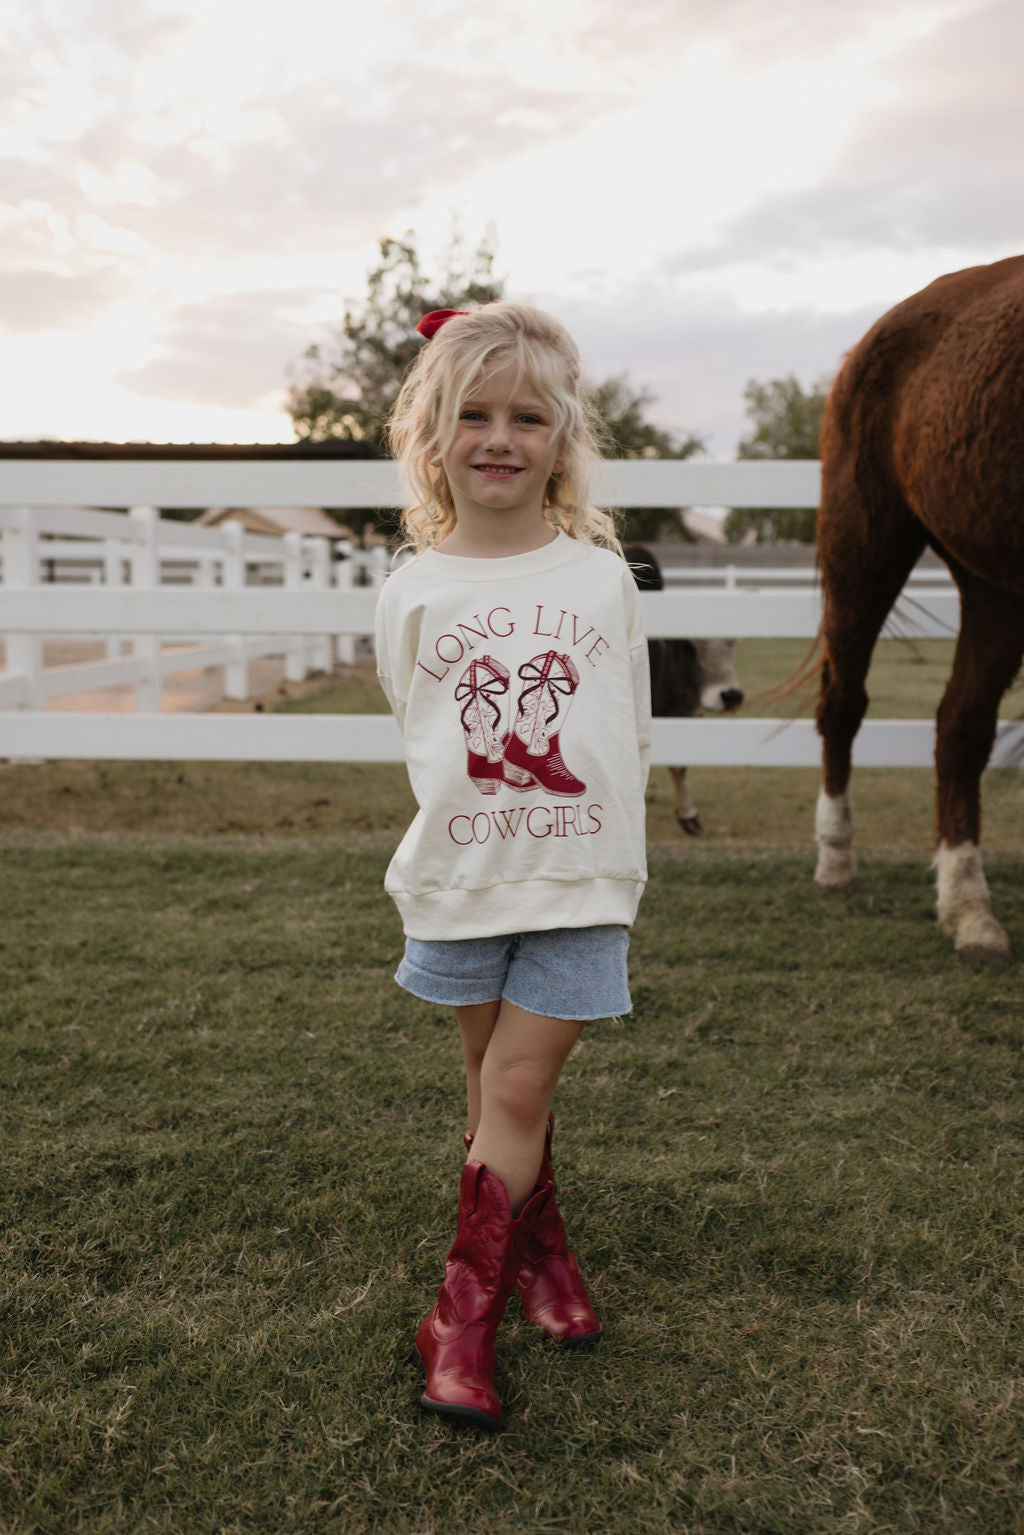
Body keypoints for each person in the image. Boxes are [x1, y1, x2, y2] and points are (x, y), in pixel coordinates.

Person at [375, 302, 651, 1430]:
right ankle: (544, 1257)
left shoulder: (599, 578)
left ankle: (462, 1319)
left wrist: (614, 846)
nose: (500, 437)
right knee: (496, 1090)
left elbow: (626, 725)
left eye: (526, 416)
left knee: (518, 1085)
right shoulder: (410, 590)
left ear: (561, 438)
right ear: (433, 436)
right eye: (474, 415)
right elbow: (420, 731)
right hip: (462, 875)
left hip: (580, 874)